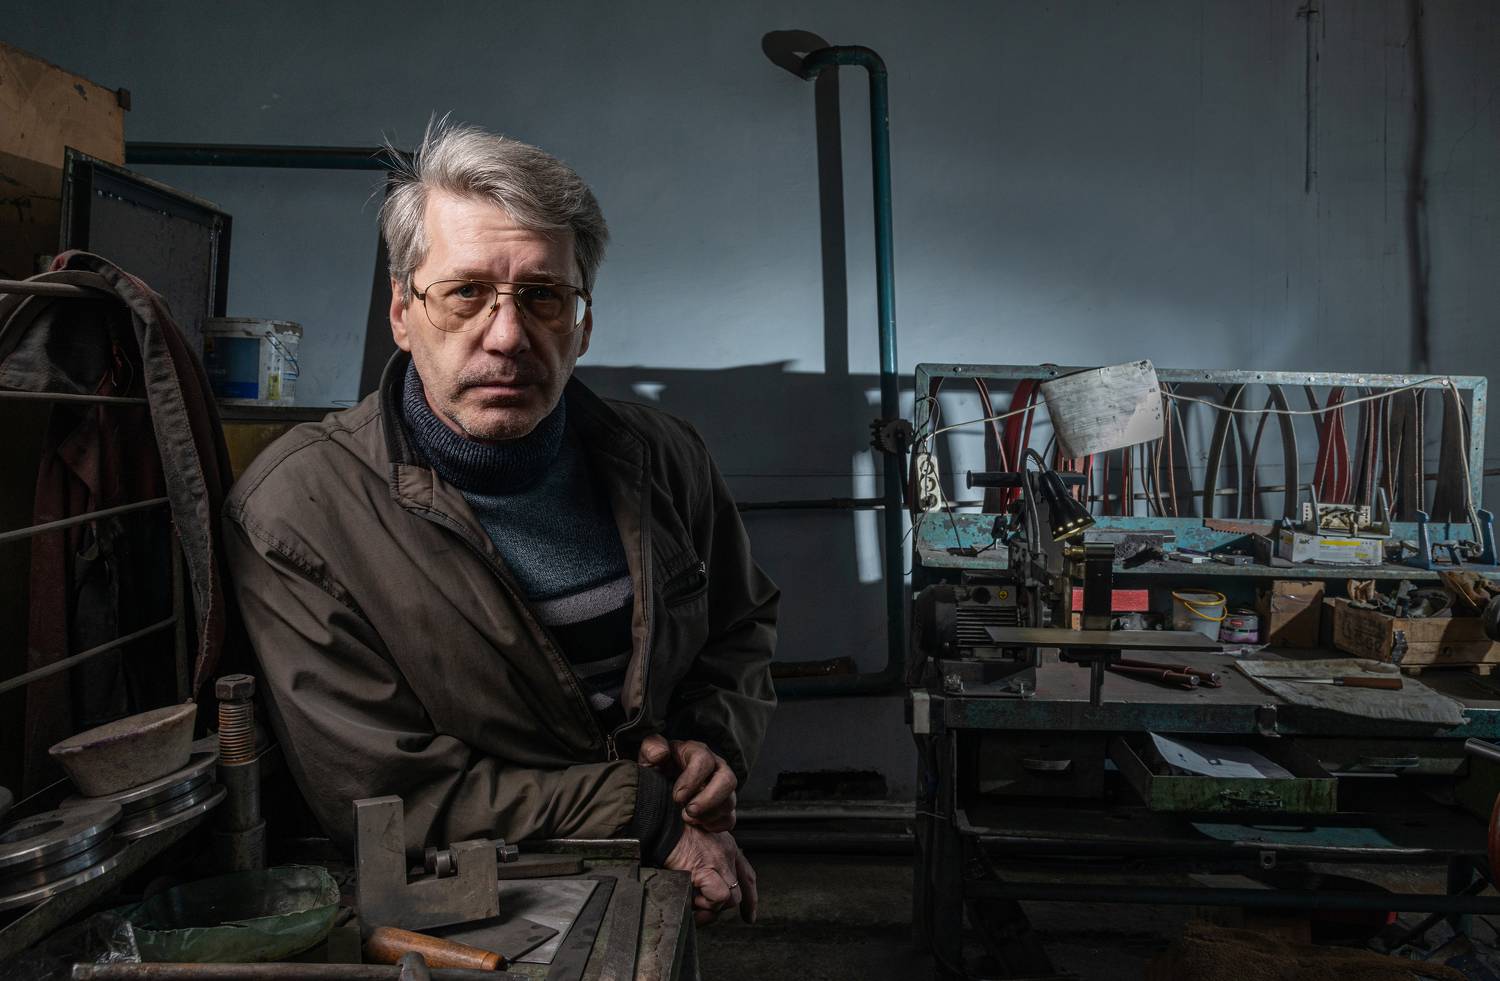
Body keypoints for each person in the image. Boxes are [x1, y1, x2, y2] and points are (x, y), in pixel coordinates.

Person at [223, 119, 778, 924]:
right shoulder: (297, 514)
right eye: (465, 293)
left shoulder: (665, 457)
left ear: (582, 323)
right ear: (403, 313)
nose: (509, 335)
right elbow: (386, 791)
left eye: (543, 296)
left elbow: (738, 628)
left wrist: (708, 753)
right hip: (460, 909)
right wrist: (647, 810)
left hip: (660, 877)